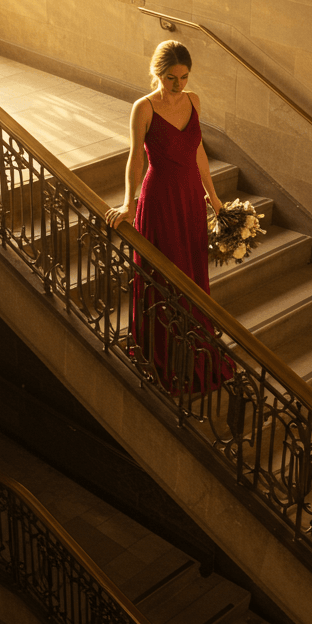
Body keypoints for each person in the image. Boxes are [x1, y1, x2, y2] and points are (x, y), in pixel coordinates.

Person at [105, 40, 232, 392]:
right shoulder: (143, 108)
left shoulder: (193, 101)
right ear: (157, 73)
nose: (178, 85)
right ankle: (160, 352)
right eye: (171, 77)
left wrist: (215, 197)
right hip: (160, 199)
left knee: (191, 273)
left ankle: (193, 347)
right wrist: (129, 204)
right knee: (165, 274)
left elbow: (198, 150)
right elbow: (136, 158)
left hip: (190, 199)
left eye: (184, 77)